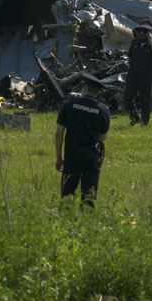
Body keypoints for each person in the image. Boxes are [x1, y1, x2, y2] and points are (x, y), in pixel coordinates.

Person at [55, 74, 111, 207]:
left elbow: (59, 133)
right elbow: (102, 138)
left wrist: (59, 158)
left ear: (85, 88)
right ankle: (87, 218)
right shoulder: (103, 110)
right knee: (89, 197)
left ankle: (65, 217)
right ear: (98, 92)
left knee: (67, 195)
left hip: (72, 156)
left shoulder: (69, 105)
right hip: (92, 157)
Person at [125, 24, 152, 126]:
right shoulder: (135, 42)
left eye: (144, 32)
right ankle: (134, 117)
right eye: (140, 31)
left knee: (145, 98)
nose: (141, 33)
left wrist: (151, 40)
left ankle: (145, 122)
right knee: (127, 97)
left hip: (146, 75)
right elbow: (130, 57)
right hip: (133, 73)